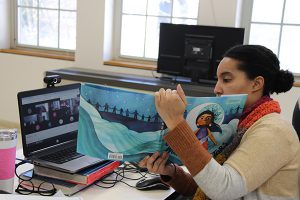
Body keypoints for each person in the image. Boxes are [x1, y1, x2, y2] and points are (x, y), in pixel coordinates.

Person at [139, 45, 300, 200]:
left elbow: (222, 189)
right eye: (218, 80)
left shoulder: (274, 131)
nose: (217, 88)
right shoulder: (242, 124)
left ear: (256, 84)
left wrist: (175, 121)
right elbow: (206, 188)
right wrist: (171, 172)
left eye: (227, 79)